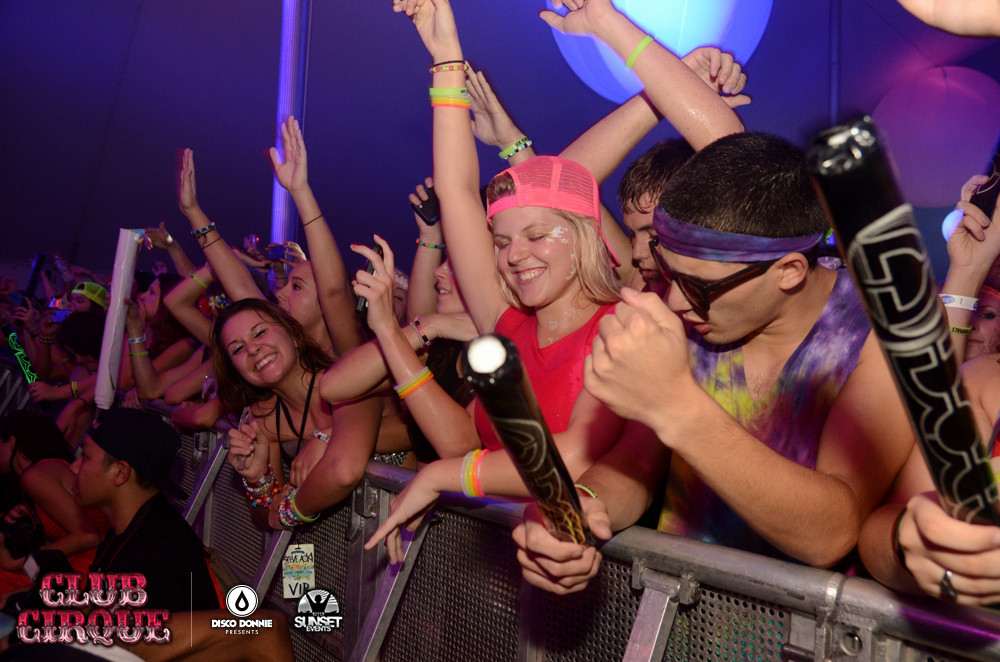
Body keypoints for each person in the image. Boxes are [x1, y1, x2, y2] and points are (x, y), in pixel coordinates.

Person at [366, 0, 743, 563]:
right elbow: (457, 190)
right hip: (494, 563)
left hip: (587, 565)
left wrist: (444, 475)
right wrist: (446, 57)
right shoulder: (503, 320)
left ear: (582, 236)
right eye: (501, 242)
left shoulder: (627, 323)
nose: (514, 255)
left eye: (538, 235)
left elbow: (574, 454)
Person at [515, 128, 918, 593]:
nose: (675, 302)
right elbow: (637, 465)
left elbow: (831, 532)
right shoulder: (687, 320)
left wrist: (676, 407)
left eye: (699, 286)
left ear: (788, 271)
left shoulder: (882, 335)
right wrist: (579, 508)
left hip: (803, 625)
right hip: (677, 612)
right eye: (670, 275)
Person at [214, 298, 380, 530]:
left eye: (260, 332)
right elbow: (269, 517)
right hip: (341, 539)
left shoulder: (346, 382)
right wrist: (257, 478)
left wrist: (329, 436)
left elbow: (343, 472)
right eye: (238, 349)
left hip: (402, 531)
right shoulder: (264, 418)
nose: (252, 349)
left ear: (293, 334)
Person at [0, 411, 106, 592]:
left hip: (85, 568)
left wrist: (14, 564)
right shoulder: (49, 470)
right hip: (84, 565)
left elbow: (88, 536)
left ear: (11, 442)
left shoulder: (36, 476)